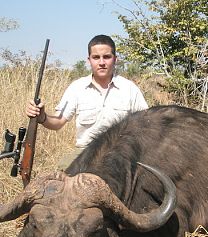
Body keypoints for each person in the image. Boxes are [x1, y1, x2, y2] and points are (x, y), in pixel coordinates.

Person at [26, 34, 148, 169]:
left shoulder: (129, 88)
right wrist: (42, 116)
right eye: (96, 57)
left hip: (120, 155)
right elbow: (58, 122)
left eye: (107, 57)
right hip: (85, 153)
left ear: (115, 59)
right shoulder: (77, 87)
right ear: (89, 60)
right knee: (62, 174)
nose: (101, 62)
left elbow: (145, 125)